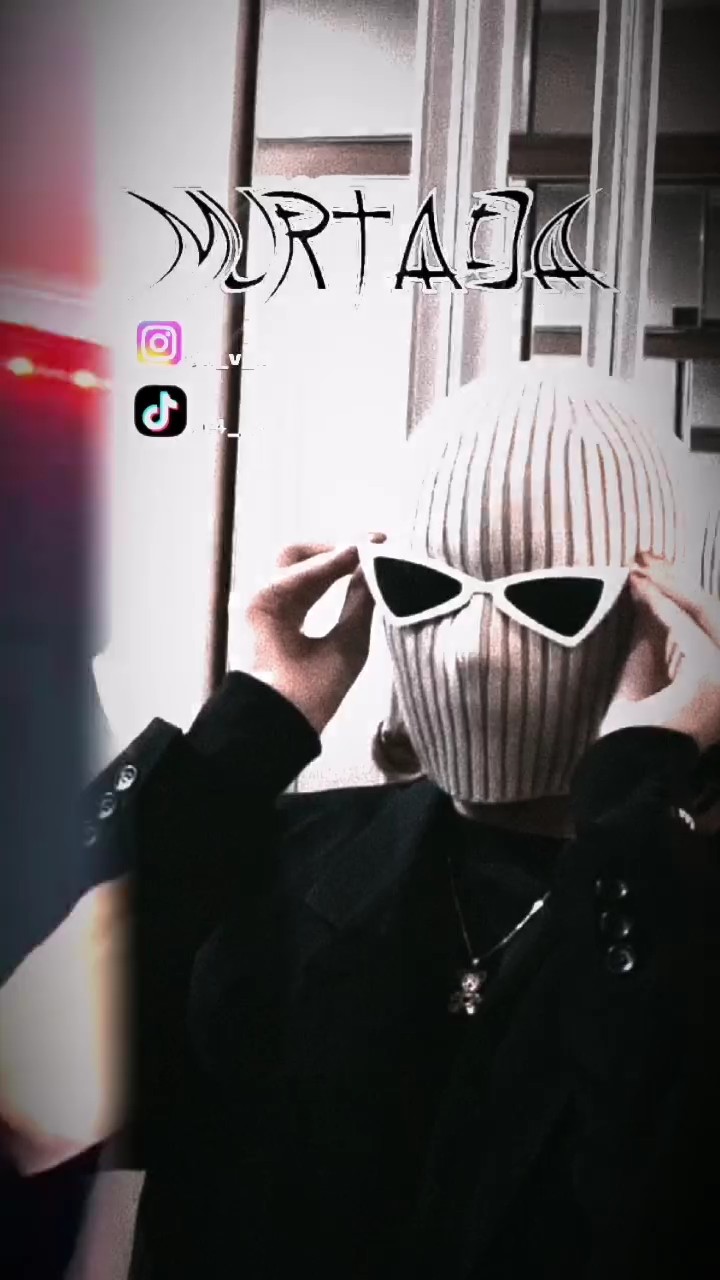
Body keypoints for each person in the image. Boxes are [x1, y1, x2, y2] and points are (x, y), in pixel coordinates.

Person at [11, 370, 720, 1278]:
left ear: (661, 619)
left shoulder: (679, 920)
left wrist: (635, 810)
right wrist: (248, 731)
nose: (470, 657)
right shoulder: (260, 858)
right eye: (422, 586)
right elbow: (28, 1091)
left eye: (551, 600)